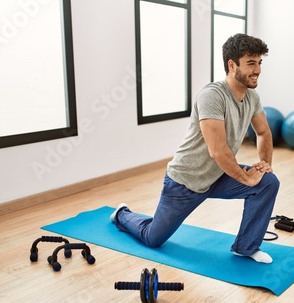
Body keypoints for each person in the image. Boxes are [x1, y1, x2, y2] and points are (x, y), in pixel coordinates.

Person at [110, 33, 279, 264]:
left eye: (259, 63)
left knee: (268, 182)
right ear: (232, 65)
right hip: (185, 181)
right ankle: (122, 215)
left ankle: (246, 247)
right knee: (153, 238)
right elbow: (218, 151)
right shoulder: (212, 95)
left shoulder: (252, 97)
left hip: (218, 175)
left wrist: (264, 165)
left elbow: (263, 133)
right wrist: (246, 178)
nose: (257, 69)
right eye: (251, 63)